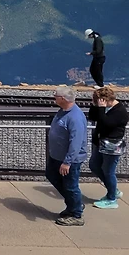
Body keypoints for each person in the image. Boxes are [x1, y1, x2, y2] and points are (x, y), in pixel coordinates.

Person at [46, 85, 87, 226]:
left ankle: (76, 214)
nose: (54, 98)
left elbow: (76, 142)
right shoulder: (62, 111)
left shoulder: (75, 117)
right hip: (57, 156)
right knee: (52, 175)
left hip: (69, 160)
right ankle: (74, 204)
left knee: (70, 186)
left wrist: (67, 162)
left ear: (63, 99)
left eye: (55, 96)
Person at [88, 86, 128, 209]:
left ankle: (112, 199)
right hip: (100, 143)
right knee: (94, 165)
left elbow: (107, 123)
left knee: (108, 171)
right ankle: (113, 190)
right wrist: (94, 106)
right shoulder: (103, 108)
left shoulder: (120, 111)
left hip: (112, 144)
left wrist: (101, 109)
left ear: (106, 100)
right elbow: (93, 117)